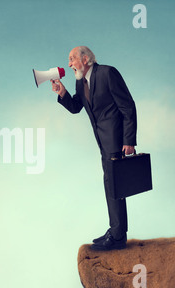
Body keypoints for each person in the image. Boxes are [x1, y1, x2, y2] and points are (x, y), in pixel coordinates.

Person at [51, 46, 137, 251]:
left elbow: (128, 106)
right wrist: (62, 93)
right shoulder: (80, 82)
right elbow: (75, 108)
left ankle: (117, 236)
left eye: (72, 59)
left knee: (113, 185)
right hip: (103, 142)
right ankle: (116, 231)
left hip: (117, 140)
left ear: (86, 58)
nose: (69, 64)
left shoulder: (107, 73)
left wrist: (129, 140)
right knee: (112, 185)